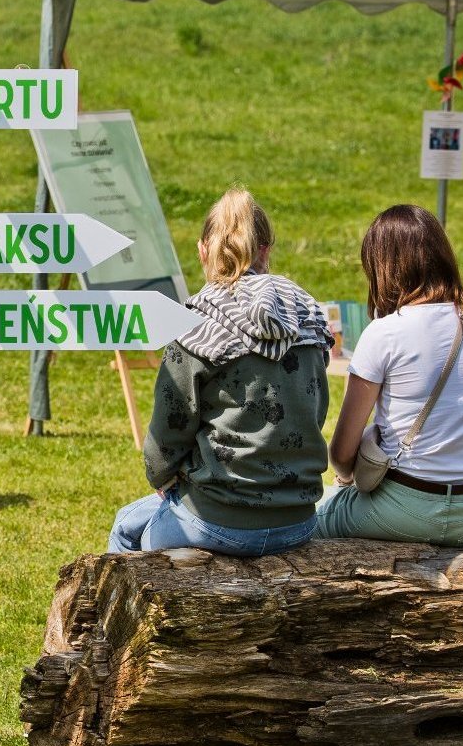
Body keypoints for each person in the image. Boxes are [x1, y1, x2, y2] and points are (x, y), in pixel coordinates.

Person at [109, 189, 332, 557]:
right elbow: (313, 408)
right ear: (266, 250)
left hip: (217, 520)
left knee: (126, 530)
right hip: (298, 520)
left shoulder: (196, 326)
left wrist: (163, 478)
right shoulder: (308, 316)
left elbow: (167, 434)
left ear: (202, 250)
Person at [318, 205, 463, 547]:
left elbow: (341, 453)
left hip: (400, 512)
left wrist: (349, 479)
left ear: (383, 267)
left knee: (308, 518)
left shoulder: (386, 332)